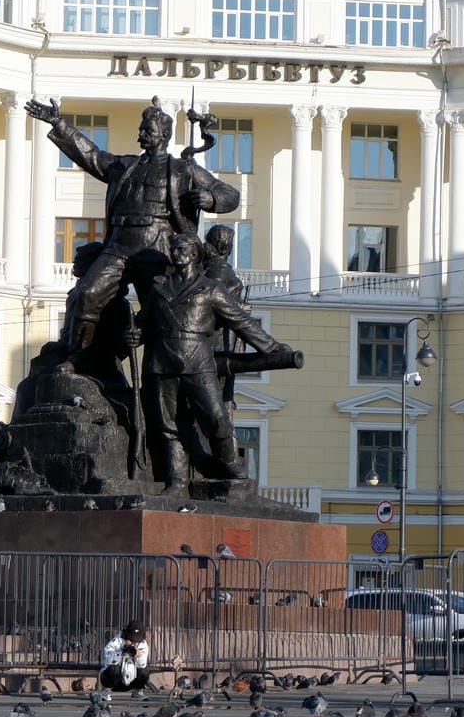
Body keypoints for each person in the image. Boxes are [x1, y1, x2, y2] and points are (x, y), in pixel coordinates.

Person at [24, 96, 239, 355]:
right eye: (141, 129)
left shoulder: (184, 170)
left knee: (163, 313)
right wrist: (58, 123)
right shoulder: (125, 165)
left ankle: (165, 379)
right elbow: (91, 155)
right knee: (87, 294)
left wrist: (210, 198)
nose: (141, 134)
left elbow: (229, 194)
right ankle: (77, 358)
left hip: (157, 249)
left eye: (147, 129)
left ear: (165, 134)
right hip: (119, 246)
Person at [137, 233, 293, 487]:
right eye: (174, 249)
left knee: (216, 417)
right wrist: (134, 332)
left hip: (198, 360)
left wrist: (271, 347)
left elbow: (240, 321)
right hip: (163, 361)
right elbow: (145, 323)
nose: (176, 253)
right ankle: (176, 482)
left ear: (194, 254)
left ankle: (230, 466)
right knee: (170, 425)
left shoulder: (210, 288)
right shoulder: (159, 288)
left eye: (182, 249)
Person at [99, 622, 150, 693]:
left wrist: (138, 655)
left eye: (137, 639)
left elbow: (142, 665)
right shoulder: (117, 640)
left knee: (144, 672)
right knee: (114, 669)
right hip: (114, 681)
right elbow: (106, 659)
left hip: (131, 680)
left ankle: (137, 692)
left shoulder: (143, 644)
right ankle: (106, 692)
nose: (134, 641)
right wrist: (121, 652)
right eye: (132, 638)